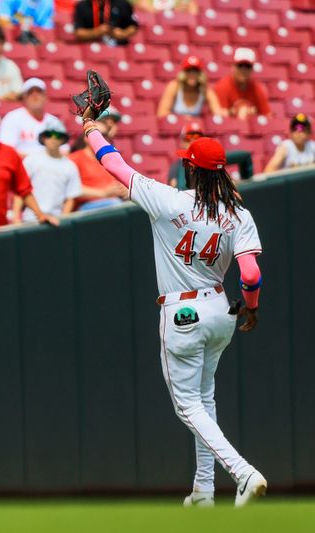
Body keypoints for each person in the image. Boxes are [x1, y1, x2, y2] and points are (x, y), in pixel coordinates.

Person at [77, 96, 267, 507]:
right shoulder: (238, 213)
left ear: (190, 169)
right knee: (205, 398)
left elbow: (114, 165)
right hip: (221, 310)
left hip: (182, 311)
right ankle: (203, 490)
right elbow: (250, 273)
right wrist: (250, 306)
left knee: (187, 407)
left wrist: (91, 127)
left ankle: (243, 473)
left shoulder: (169, 200)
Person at [13, 123, 82, 222]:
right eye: (48, 135)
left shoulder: (70, 166)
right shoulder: (31, 160)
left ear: (62, 139)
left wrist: (63, 220)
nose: (53, 138)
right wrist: (16, 218)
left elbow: (70, 198)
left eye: (57, 135)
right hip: (30, 219)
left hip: (56, 220)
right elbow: (21, 190)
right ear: (43, 138)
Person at [168, 122, 254, 188]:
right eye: (188, 138)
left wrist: (246, 183)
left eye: (197, 138)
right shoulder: (177, 167)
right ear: (181, 141)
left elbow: (245, 157)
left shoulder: (212, 158)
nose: (192, 141)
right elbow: (178, 192)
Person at [68, 118, 128, 210]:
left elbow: (121, 183)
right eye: (96, 134)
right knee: (116, 205)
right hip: (87, 207)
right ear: (86, 138)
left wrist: (125, 190)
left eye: (104, 135)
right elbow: (70, 188)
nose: (101, 138)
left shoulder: (110, 158)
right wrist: (102, 193)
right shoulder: (74, 158)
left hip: (114, 202)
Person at [0, 78, 65, 157]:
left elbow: (65, 150)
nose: (35, 95)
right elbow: (6, 151)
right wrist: (38, 158)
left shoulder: (54, 122)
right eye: (30, 93)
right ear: (24, 98)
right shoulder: (12, 118)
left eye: (39, 92)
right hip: (22, 166)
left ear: (45, 96)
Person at [157, 56, 226, 119]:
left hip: (194, 129)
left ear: (201, 74)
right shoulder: (174, 86)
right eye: (189, 71)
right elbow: (162, 113)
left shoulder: (205, 90)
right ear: (183, 73)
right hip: (174, 128)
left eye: (196, 71)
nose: (192, 74)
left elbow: (217, 111)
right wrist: (183, 118)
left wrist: (231, 112)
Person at [214, 48, 270, 120]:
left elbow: (267, 115)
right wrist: (236, 112)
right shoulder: (222, 87)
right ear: (233, 67)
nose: (244, 70)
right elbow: (221, 119)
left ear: (252, 69)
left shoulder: (257, 88)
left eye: (247, 66)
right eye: (240, 66)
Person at [73, 0, 138, 46]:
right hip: (92, 47)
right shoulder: (82, 5)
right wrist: (97, 32)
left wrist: (123, 33)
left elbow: (133, 26)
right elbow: (78, 32)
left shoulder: (122, 3)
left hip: (119, 46)